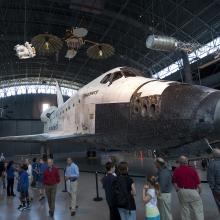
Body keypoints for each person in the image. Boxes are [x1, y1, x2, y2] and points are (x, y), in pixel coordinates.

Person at [172, 155, 204, 220]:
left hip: (182, 190)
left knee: (184, 210)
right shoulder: (193, 170)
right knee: (198, 210)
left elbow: (174, 182)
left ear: (179, 162)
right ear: (187, 162)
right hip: (193, 191)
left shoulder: (176, 170)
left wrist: (177, 190)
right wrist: (199, 191)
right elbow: (198, 184)